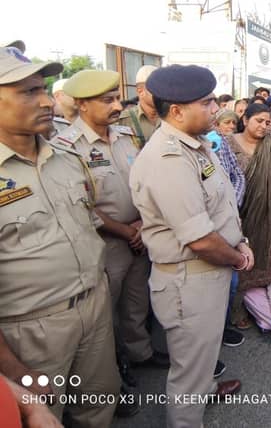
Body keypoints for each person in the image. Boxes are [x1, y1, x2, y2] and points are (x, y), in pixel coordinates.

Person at [0, 49, 121, 426]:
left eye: (44, 89)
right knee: (42, 415)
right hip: (31, 330)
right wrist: (11, 367)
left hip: (95, 308)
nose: (46, 101)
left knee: (99, 404)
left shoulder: (67, 159)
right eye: (28, 91)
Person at [129, 64, 247, 428]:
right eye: (207, 102)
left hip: (206, 275)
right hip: (190, 281)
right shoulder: (168, 160)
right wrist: (239, 258)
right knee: (188, 372)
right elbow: (200, 239)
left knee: (202, 356)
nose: (216, 109)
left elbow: (221, 207)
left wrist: (240, 240)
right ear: (177, 111)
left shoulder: (195, 144)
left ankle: (205, 388)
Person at [53, 70, 163, 385]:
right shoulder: (65, 147)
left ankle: (140, 353)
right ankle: (116, 367)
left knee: (137, 301)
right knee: (106, 312)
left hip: (139, 235)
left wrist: (141, 223)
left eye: (117, 98)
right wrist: (125, 231)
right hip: (106, 243)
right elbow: (80, 206)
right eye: (107, 100)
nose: (117, 106)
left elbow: (145, 182)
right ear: (83, 105)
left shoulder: (126, 136)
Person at [226, 103, 271, 329]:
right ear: (245, 120)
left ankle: (258, 305)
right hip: (239, 215)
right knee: (239, 258)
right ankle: (236, 307)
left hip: (269, 213)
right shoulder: (228, 143)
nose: (264, 126)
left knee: (264, 256)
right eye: (259, 121)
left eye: (268, 122)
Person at [116, 65, 160, 149]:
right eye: (156, 89)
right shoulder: (124, 120)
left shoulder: (170, 117)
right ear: (140, 91)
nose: (162, 93)